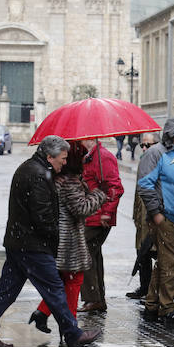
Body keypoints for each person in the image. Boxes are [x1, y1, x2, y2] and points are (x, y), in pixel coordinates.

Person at [0, 135, 101, 347]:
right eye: (62, 159)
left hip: (19, 242)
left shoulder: (29, 168)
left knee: (6, 290)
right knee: (54, 289)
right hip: (32, 246)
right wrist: (54, 241)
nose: (64, 163)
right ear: (49, 157)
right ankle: (73, 334)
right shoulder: (38, 175)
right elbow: (43, 218)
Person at [29, 141, 107, 333]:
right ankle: (70, 328)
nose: (84, 160)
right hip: (68, 240)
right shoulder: (69, 181)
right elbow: (81, 209)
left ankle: (42, 312)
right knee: (74, 279)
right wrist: (99, 194)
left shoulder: (57, 177)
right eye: (82, 156)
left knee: (62, 279)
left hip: (58, 238)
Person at [138, 118, 174, 324]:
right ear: (169, 134)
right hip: (166, 216)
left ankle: (153, 304)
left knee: (165, 262)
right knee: (171, 262)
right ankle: (167, 308)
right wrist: (156, 213)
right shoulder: (156, 153)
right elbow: (145, 185)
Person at [127, 131, 174, 300]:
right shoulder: (146, 160)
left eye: (148, 145)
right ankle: (145, 287)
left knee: (155, 252)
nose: (144, 148)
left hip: (155, 213)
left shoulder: (162, 159)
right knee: (142, 252)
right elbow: (139, 192)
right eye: (142, 145)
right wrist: (136, 215)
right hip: (143, 215)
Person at [77, 137, 124, 314]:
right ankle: (97, 299)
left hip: (99, 215)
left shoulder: (103, 157)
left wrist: (107, 211)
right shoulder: (90, 156)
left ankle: (93, 298)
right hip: (92, 213)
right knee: (92, 253)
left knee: (84, 251)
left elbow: (115, 187)